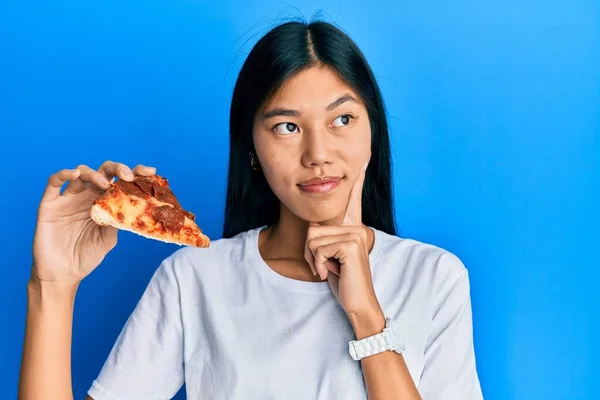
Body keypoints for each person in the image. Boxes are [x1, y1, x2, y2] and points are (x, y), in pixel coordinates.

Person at [18, 20, 483, 400]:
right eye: (286, 126)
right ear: (253, 149)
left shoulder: (434, 277)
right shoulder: (195, 278)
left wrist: (366, 315)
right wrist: (52, 287)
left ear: (372, 131)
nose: (318, 152)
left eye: (342, 119)